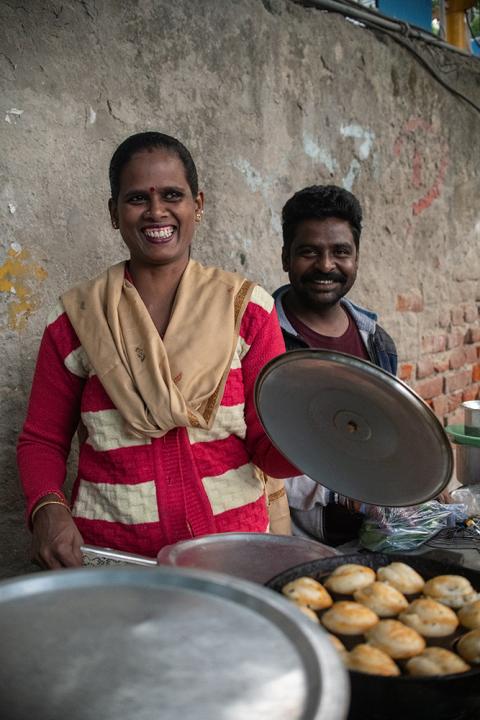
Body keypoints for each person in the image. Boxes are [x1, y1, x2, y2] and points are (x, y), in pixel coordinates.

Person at [17, 131, 298, 569]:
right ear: (114, 213)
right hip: (113, 557)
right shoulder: (78, 319)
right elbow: (42, 439)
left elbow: (267, 443)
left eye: (172, 195)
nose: (156, 212)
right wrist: (47, 508)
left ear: (197, 205)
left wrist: (319, 439)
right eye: (136, 199)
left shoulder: (246, 310)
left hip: (232, 552)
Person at [274, 185, 397, 545]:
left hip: (372, 540)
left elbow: (391, 436)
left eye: (340, 251)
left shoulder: (378, 342)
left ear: (356, 258)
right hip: (294, 544)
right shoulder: (257, 337)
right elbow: (246, 458)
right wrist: (343, 492)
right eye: (309, 251)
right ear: (286, 257)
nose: (326, 265)